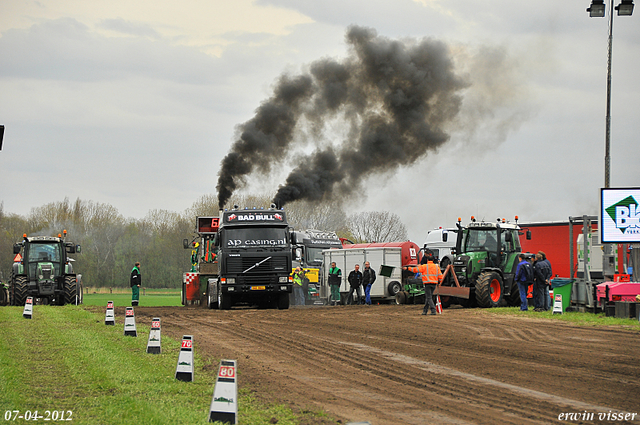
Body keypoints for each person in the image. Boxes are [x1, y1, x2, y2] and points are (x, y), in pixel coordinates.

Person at [404, 249, 443, 315]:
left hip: (427, 283)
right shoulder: (436, 267)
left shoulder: (424, 266)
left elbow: (415, 270)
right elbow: (440, 276)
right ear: (433, 260)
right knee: (428, 297)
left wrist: (407, 268)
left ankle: (433, 310)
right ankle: (425, 311)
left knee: (428, 297)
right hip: (434, 284)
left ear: (427, 260)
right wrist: (439, 282)